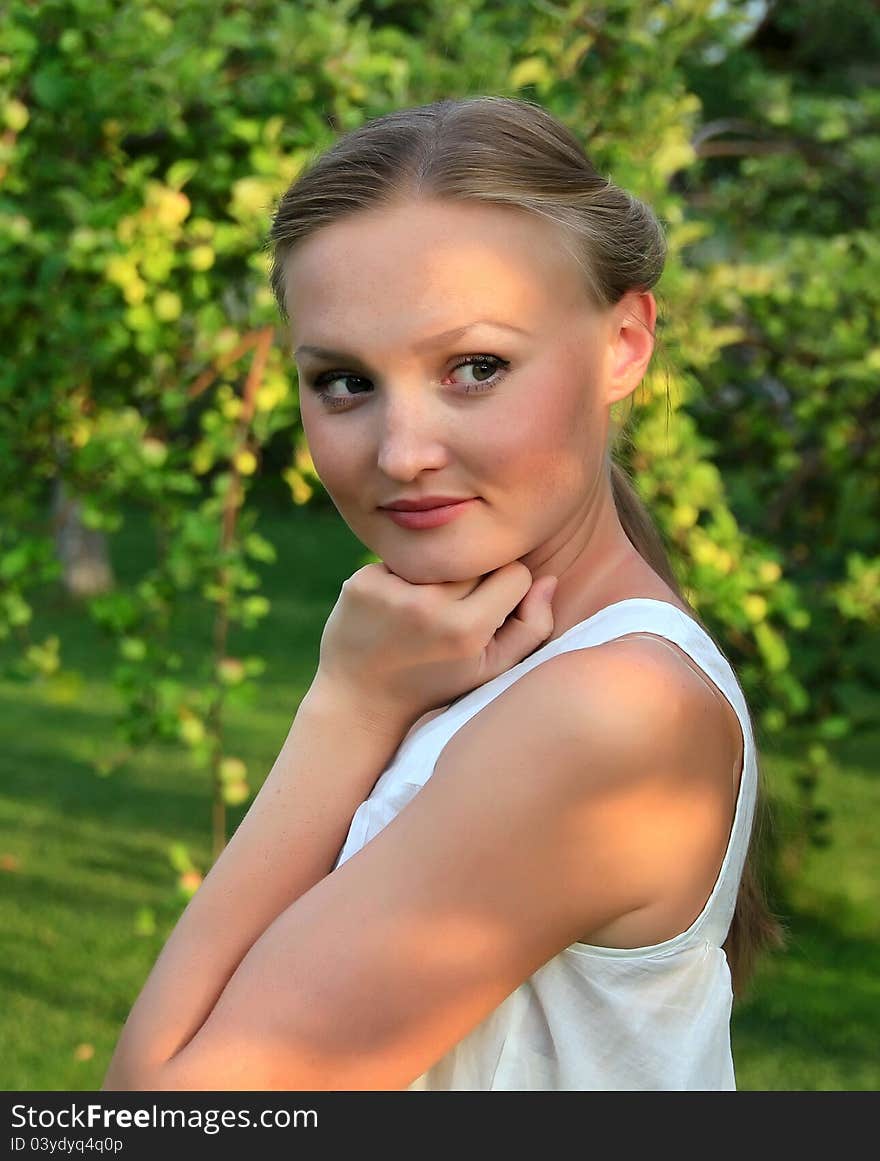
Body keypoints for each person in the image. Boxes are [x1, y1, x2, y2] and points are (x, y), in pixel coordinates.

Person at [102, 95, 783, 1093]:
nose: (401, 452)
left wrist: (346, 706)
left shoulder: (603, 716)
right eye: (342, 381)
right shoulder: (504, 661)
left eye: (475, 367)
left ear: (623, 344)